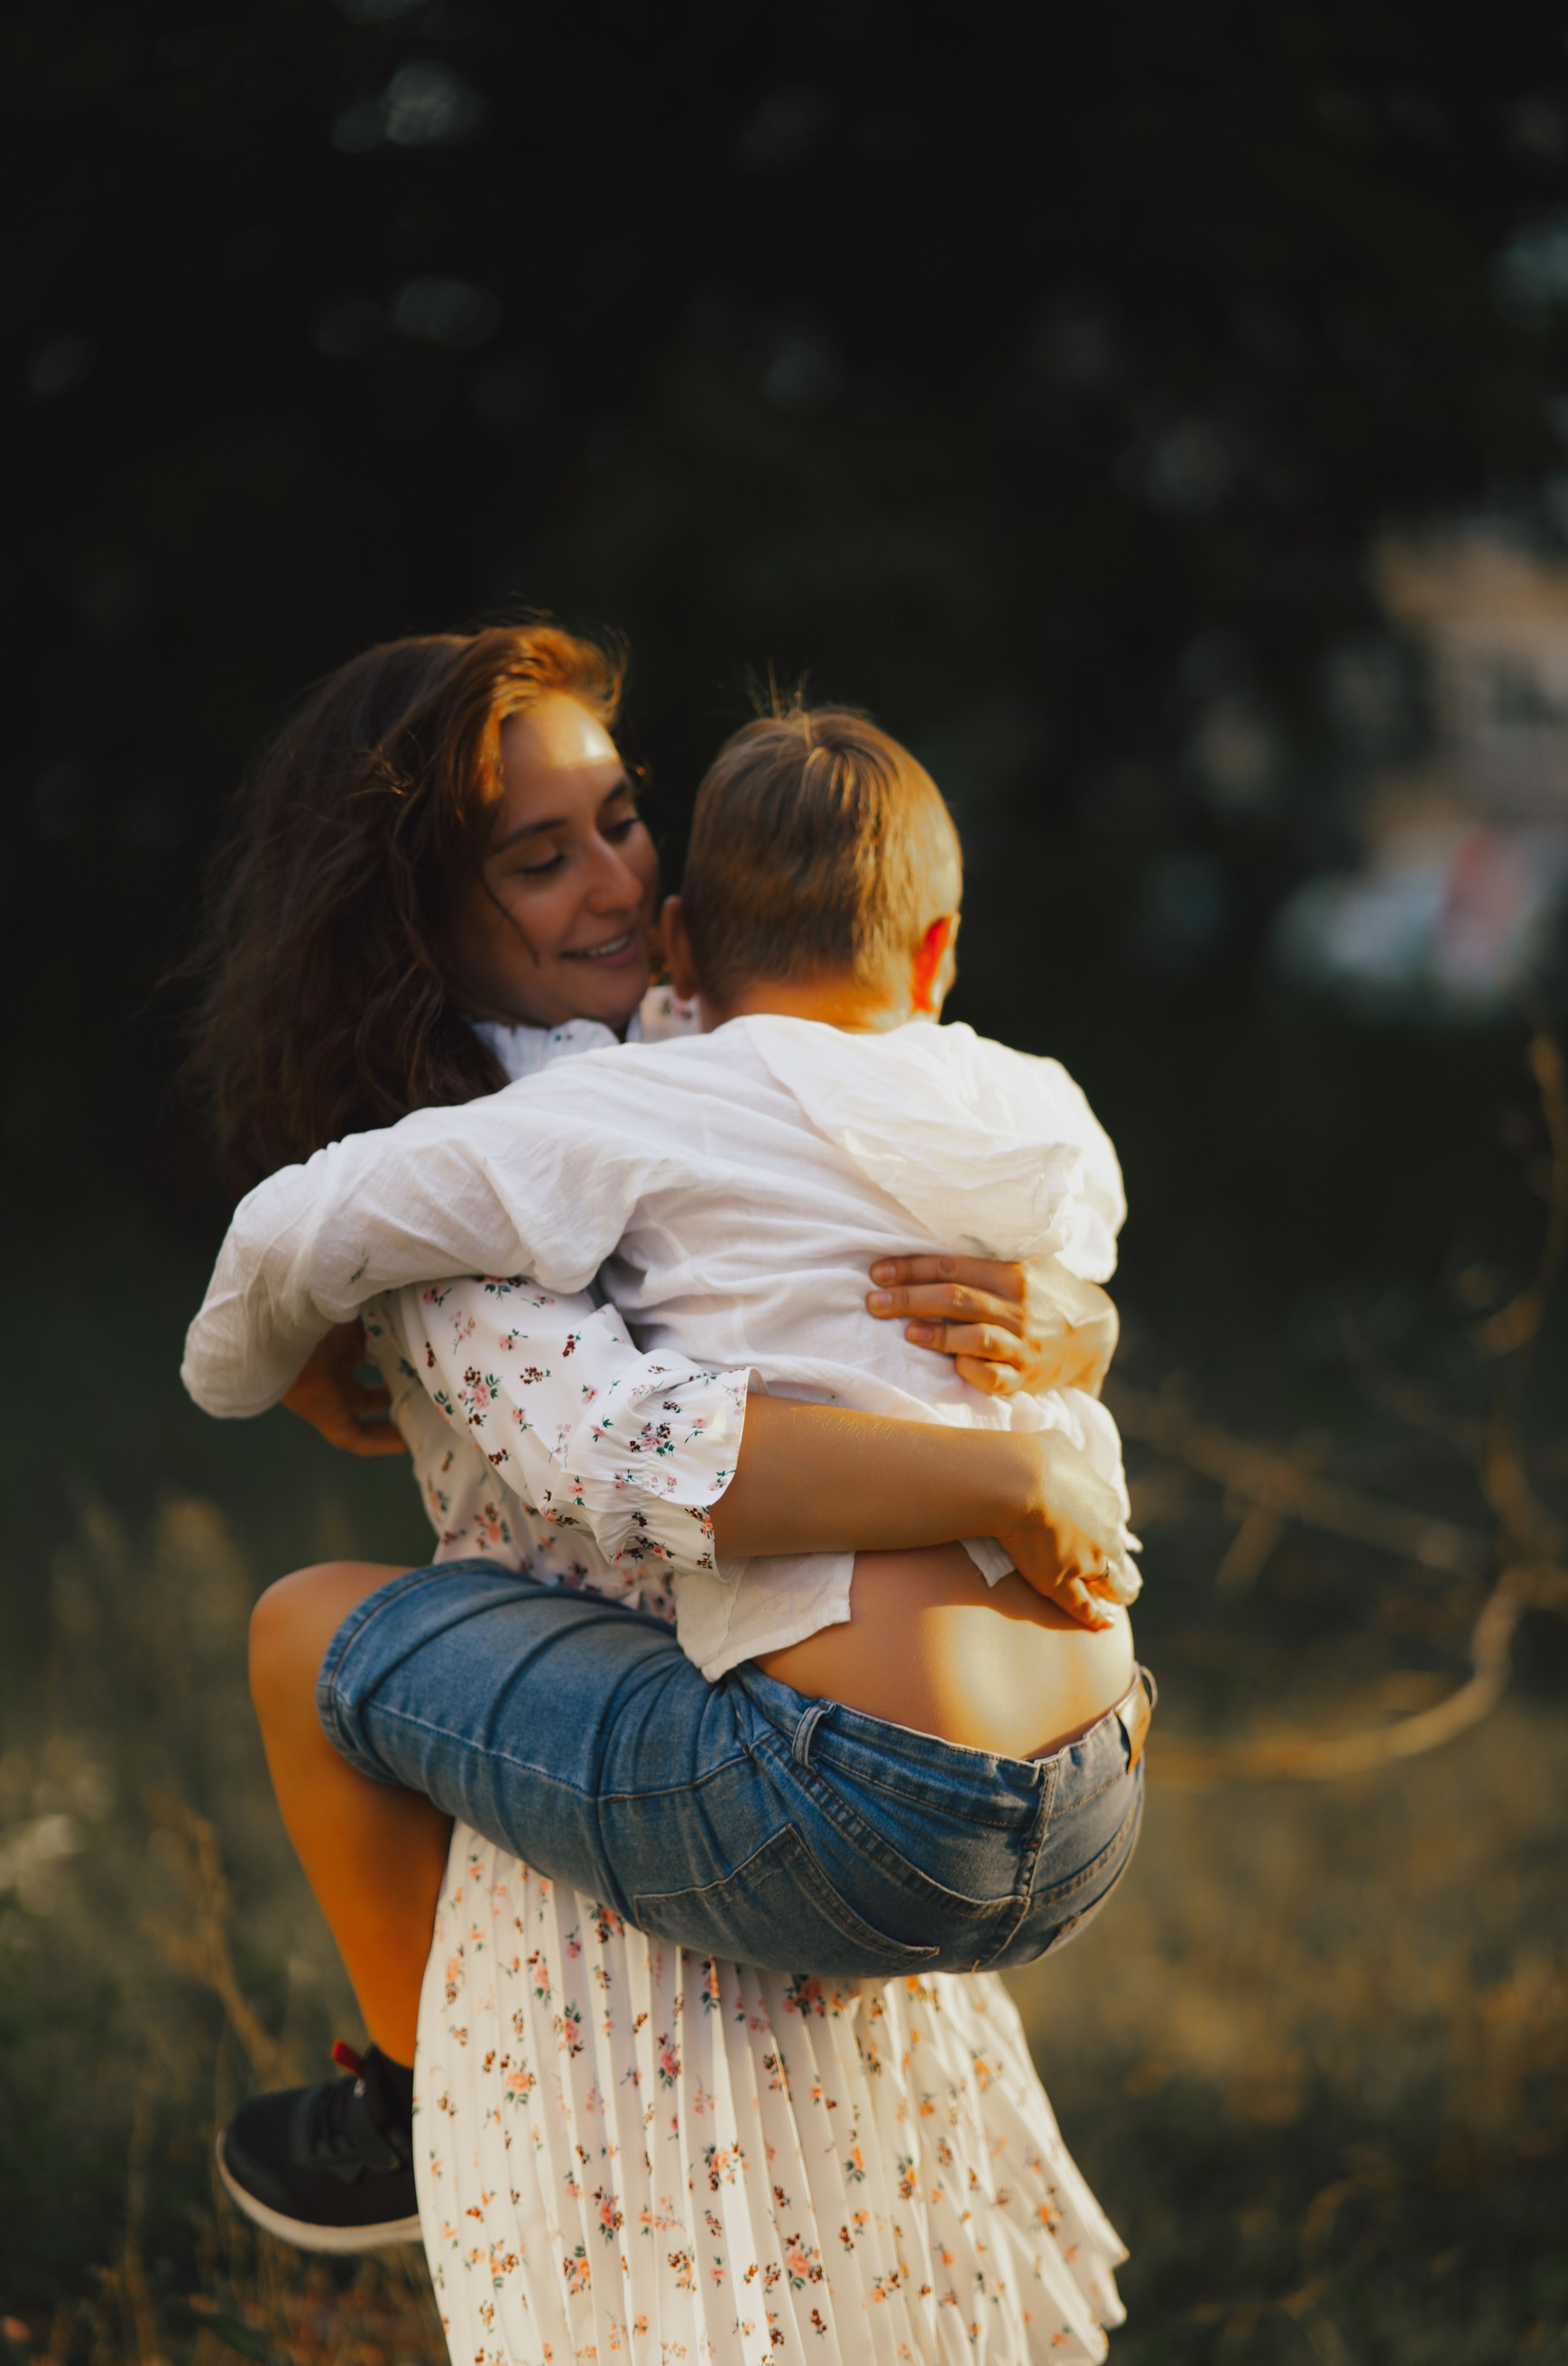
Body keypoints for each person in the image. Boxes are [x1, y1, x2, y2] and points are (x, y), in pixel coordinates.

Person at [184, 627, 1134, 2357]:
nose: (615, 883)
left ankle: (390, 2102)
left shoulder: (730, 1039)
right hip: (630, 1897)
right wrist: (1009, 1464)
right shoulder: (480, 1157)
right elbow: (642, 1463)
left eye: (624, 823)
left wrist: (1073, 1321)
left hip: (813, 1796)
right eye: (540, 859)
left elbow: (952, 1213)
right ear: (417, 912)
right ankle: (407, 2087)